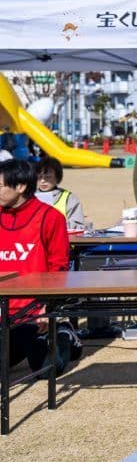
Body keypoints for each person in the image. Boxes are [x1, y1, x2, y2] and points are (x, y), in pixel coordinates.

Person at [0, 159, 81, 377]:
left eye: (0, 186)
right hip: (3, 309)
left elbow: (59, 267)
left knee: (46, 370)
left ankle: (63, 333)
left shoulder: (50, 217)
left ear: (20, 187)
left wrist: (48, 305)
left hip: (33, 314)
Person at [36, 156, 86, 231]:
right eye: (39, 177)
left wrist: (55, 224)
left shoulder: (68, 198)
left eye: (48, 177)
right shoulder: (28, 196)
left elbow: (78, 226)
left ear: (57, 178)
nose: (43, 181)